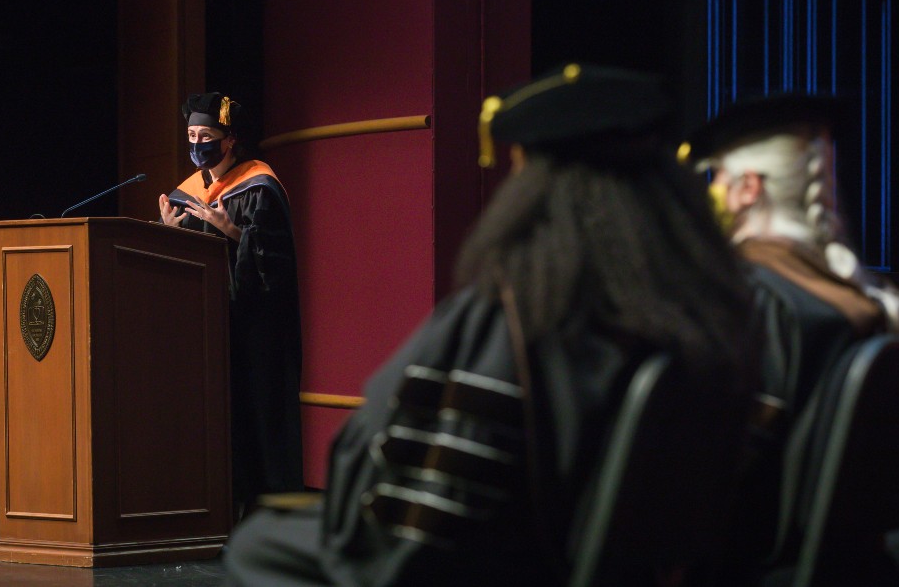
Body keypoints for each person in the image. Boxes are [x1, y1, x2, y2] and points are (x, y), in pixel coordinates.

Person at [223, 64, 756, 585]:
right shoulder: (714, 308)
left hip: (508, 562)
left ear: (535, 190)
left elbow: (400, 508)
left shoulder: (514, 321)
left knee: (261, 543)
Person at [688, 93, 899, 583]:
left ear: (748, 189)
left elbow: (723, 482)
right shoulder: (872, 302)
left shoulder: (755, 299)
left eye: (719, 179)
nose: (715, 192)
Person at [159, 92, 304, 512]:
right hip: (204, 331)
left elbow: (276, 269)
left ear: (229, 140)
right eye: (191, 134)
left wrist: (234, 233)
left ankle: (266, 516)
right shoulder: (187, 193)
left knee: (255, 419)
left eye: (206, 135)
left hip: (254, 334)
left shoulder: (259, 186)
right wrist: (166, 232)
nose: (197, 142)